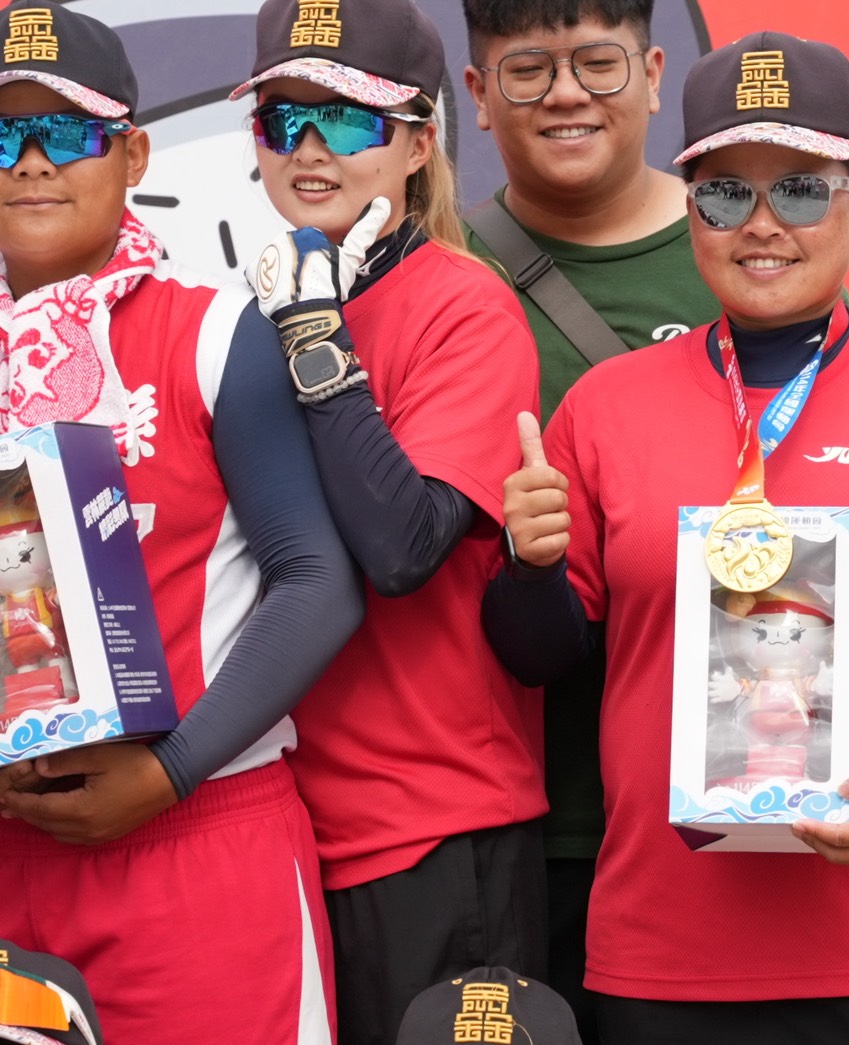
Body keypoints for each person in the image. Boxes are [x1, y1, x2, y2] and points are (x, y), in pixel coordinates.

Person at [483, 30, 849, 1045]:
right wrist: (528, 566)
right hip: (664, 960)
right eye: (724, 194)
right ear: (691, 211)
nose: (761, 224)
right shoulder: (606, 406)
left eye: (800, 189)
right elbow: (540, 655)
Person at [0, 2, 362, 1041]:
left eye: (67, 133)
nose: (32, 162)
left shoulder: (214, 331)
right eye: (4, 137)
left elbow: (318, 580)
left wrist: (171, 769)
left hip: (196, 837)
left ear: (133, 154)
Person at [230, 1, 544, 1041]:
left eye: (348, 118)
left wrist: (317, 342)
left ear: (417, 142)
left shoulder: (463, 303)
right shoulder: (246, 313)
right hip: (278, 823)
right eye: (284, 119)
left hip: (434, 829)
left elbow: (402, 547)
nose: (310, 147)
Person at [460, 3, 719, 1036]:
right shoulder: (439, 270)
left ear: (653, 73)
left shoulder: (752, 240)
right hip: (522, 820)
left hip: (734, 797)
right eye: (527, 69)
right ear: (477, 96)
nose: (565, 93)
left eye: (596, 63)